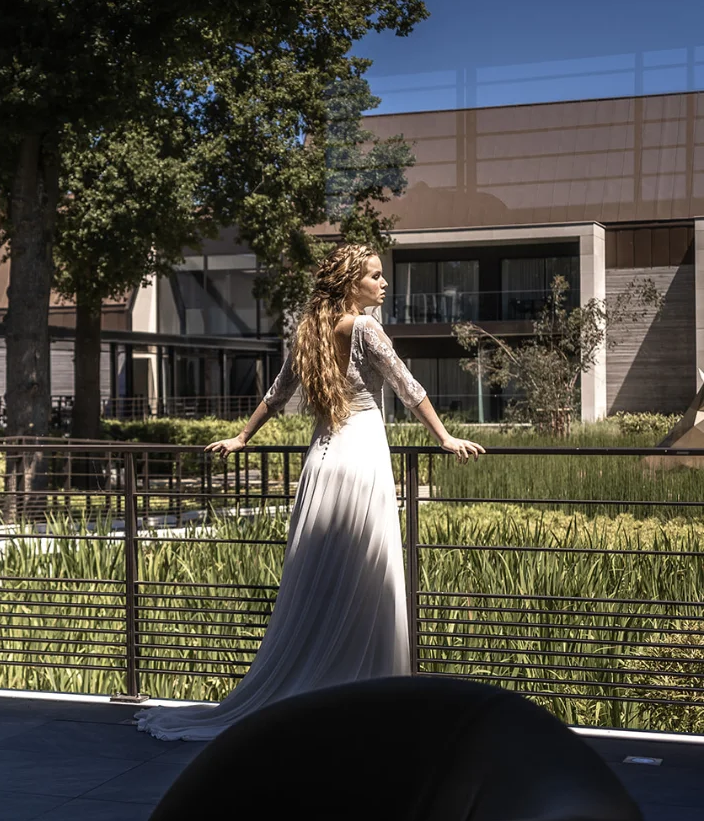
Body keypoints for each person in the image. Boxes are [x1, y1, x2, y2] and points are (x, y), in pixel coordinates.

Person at [135, 244, 485, 741]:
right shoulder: (364, 328)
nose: (384, 284)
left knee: (324, 575)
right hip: (361, 457)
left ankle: (320, 686)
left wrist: (242, 437)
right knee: (369, 573)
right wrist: (445, 437)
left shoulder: (309, 331)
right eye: (376, 277)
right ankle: (368, 693)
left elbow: (276, 394)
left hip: (322, 463)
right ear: (351, 284)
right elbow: (410, 388)